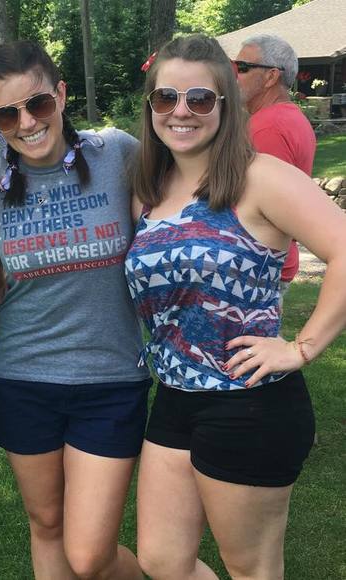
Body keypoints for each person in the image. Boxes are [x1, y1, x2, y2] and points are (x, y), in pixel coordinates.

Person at [126, 34, 346, 580]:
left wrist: (302, 348)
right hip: (173, 396)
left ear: (225, 104)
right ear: (150, 105)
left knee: (251, 568)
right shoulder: (150, 188)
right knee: (162, 560)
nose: (181, 111)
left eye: (199, 98)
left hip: (249, 402)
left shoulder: (260, 176)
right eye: (166, 97)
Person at [0, 40, 151, 579]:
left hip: (111, 379)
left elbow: (187, 193)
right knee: (47, 523)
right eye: (8, 114)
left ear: (61, 94)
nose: (27, 123)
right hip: (20, 379)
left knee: (90, 553)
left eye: (38, 104)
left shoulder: (117, 153)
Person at [235, 33, 317, 293]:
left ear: (271, 77)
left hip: (258, 266)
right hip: (273, 261)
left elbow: (266, 207)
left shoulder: (266, 127)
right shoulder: (291, 118)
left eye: (242, 67)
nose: (234, 75)